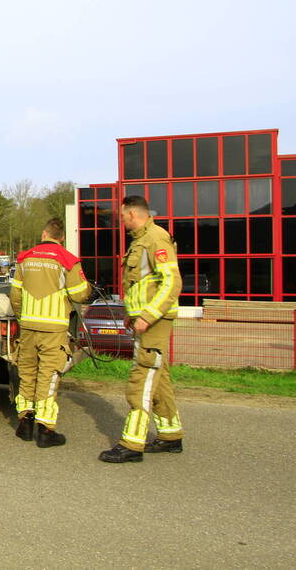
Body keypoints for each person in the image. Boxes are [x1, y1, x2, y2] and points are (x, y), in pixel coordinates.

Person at [99, 195, 184, 463]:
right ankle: (171, 436)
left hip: (154, 322)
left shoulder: (155, 239)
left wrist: (146, 316)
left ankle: (131, 444)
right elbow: (142, 285)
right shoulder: (140, 240)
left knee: (141, 381)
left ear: (133, 214)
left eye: (122, 216)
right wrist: (130, 314)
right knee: (159, 382)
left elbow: (172, 282)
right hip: (145, 320)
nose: (120, 220)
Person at [9, 218, 91, 447]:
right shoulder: (67, 260)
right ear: (61, 238)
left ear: (44, 234)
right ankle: (45, 430)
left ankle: (24, 423)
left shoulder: (25, 258)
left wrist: (22, 317)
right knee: (49, 375)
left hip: (28, 327)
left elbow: (15, 295)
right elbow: (78, 295)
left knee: (27, 374)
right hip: (53, 329)